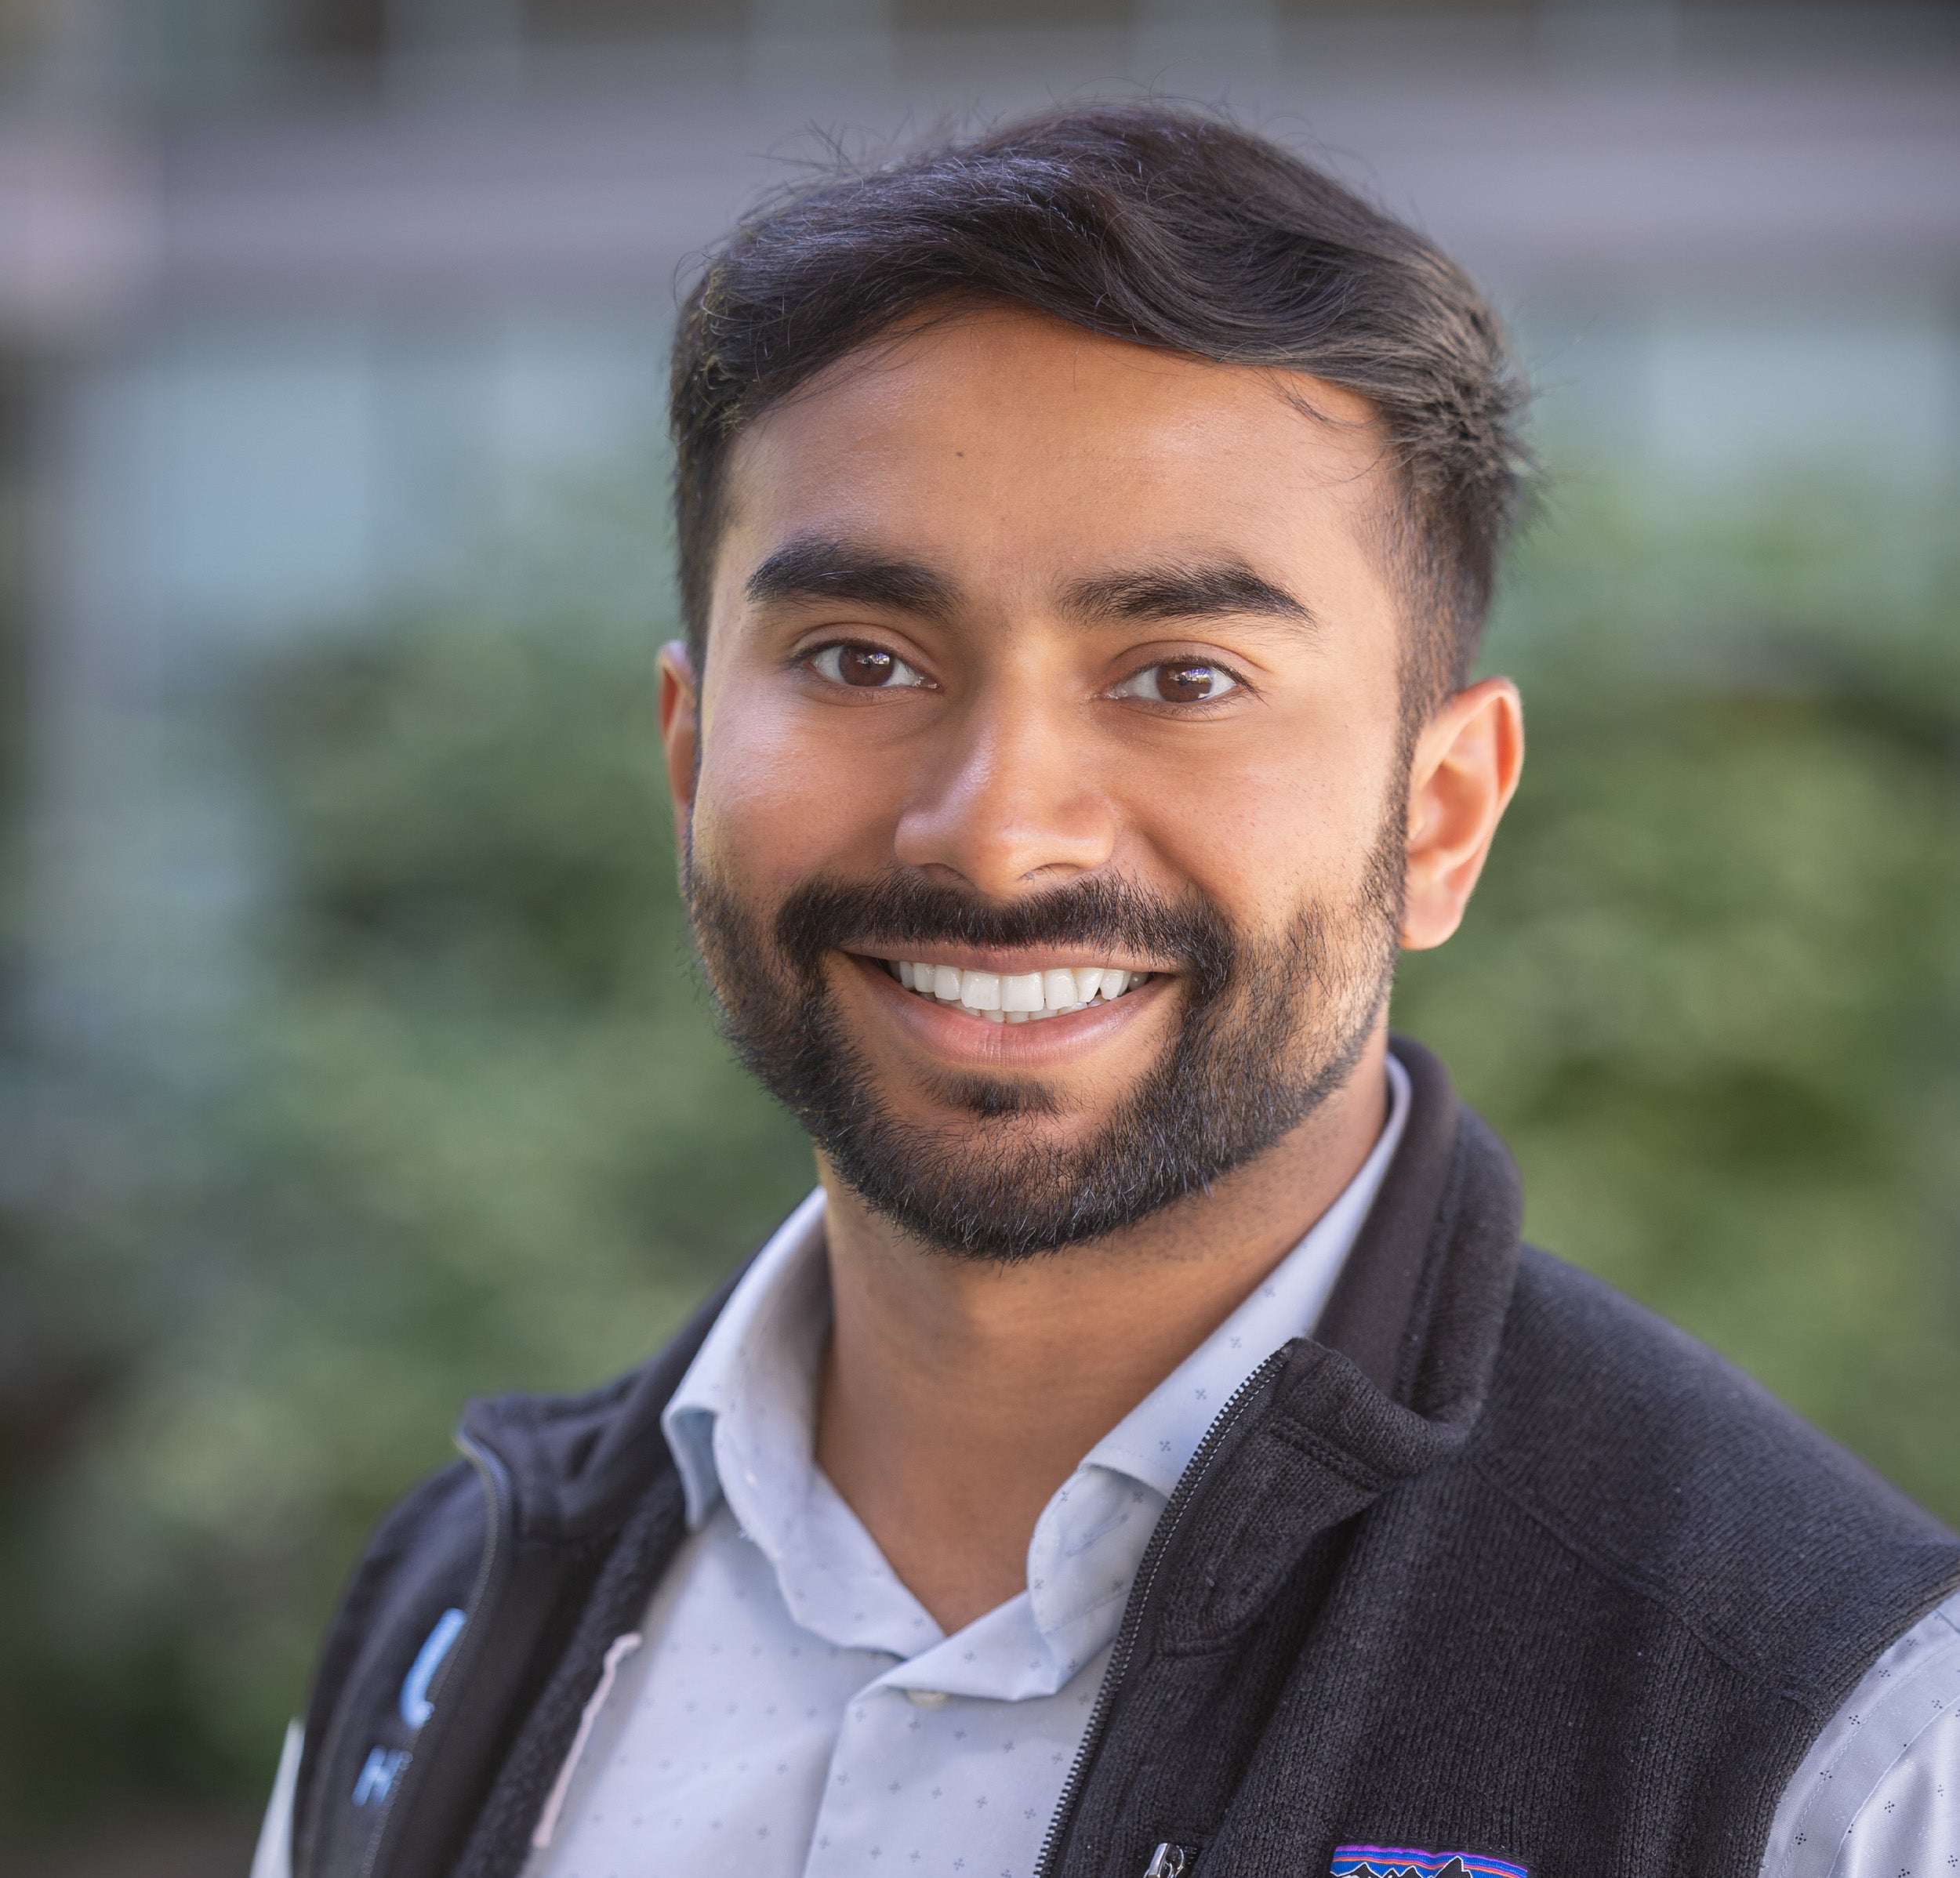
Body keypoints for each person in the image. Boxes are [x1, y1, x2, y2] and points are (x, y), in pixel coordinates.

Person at [255, 107, 1960, 1878]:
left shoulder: (1837, 1742)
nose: (995, 835)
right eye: (860, 658)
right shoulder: (448, 1620)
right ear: (688, 751)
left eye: (1180, 674)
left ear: (1434, 815)